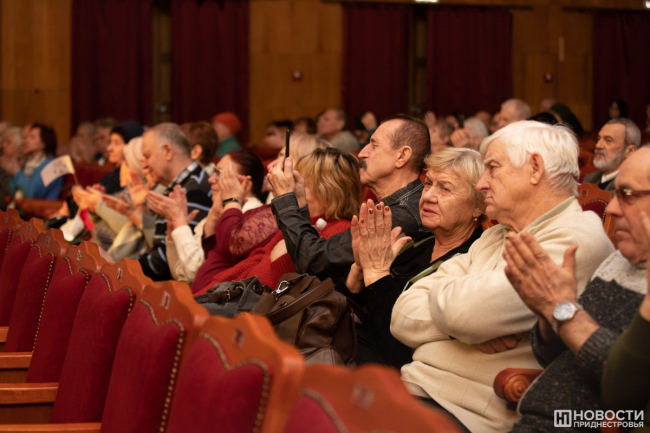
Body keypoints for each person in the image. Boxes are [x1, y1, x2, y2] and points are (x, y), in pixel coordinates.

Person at [390, 121, 614, 433]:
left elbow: (466, 314)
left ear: (535, 168)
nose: (481, 184)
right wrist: (459, 328)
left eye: (493, 168)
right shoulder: (495, 234)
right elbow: (402, 314)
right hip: (414, 389)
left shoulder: (575, 239)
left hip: (471, 413)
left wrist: (450, 303)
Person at [507, 146, 650, 432]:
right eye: (614, 194)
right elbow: (552, 357)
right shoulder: (619, 259)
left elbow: (627, 390)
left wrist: (564, 312)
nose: (612, 209)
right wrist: (549, 315)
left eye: (627, 195)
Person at [338, 148, 485, 369]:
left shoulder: (473, 263)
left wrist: (377, 274)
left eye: (445, 188)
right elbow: (341, 309)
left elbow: (401, 350)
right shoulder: (414, 243)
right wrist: (360, 269)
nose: (428, 196)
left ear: (478, 206)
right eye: (428, 184)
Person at [271, 115, 431, 281]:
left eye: (374, 145)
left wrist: (285, 198)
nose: (361, 153)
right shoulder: (397, 206)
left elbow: (312, 260)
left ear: (402, 156)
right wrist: (299, 204)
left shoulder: (403, 214)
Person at [195, 147, 361, 293]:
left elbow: (290, 288)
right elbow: (253, 262)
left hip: (261, 310)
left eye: (301, 184)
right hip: (238, 297)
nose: (292, 188)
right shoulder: (299, 222)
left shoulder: (338, 232)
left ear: (327, 191)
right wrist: (209, 292)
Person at [149, 150, 266, 283]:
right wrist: (172, 227)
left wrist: (179, 221)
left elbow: (194, 272)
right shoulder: (219, 210)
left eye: (220, 174)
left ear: (246, 185)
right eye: (213, 172)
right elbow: (181, 274)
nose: (210, 179)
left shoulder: (251, 217)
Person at [137, 123, 212, 281]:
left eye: (147, 156)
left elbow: (167, 262)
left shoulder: (195, 189)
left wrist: (123, 268)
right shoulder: (180, 186)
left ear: (167, 151)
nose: (144, 166)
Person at [6, 123, 62, 200]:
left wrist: (17, 172)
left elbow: (32, 193)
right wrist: (12, 174)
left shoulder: (54, 165)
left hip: (40, 206)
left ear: (43, 143)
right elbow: (13, 192)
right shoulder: (28, 163)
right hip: (21, 205)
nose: (25, 141)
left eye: (32, 137)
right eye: (26, 137)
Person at [584, 118, 640, 192]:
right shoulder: (590, 178)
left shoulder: (632, 184)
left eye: (608, 140)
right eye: (599, 139)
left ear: (630, 151)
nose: (598, 145)